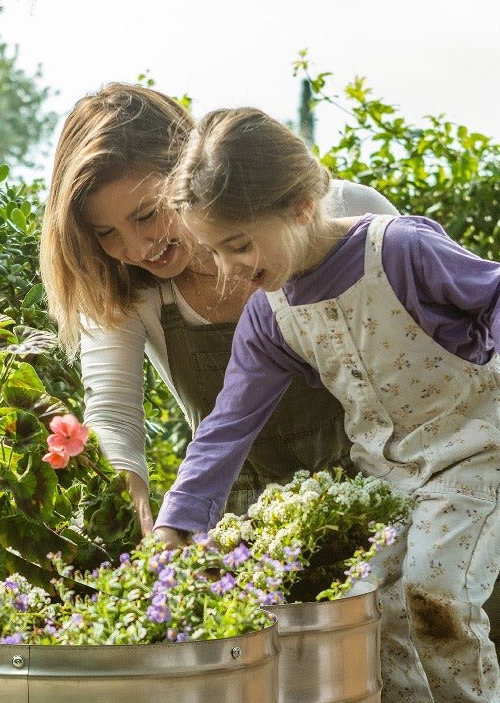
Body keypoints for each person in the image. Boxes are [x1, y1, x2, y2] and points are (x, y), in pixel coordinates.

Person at [152, 106, 500, 703]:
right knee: (364, 598)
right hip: (393, 475)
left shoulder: (398, 249)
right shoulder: (270, 315)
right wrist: (179, 522)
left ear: (303, 204)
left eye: (241, 243)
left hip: (478, 449)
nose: (233, 269)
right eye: (217, 252)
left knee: (435, 589)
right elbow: (227, 424)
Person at [39, 83, 398, 535]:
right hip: (247, 521)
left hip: (393, 476)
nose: (135, 248)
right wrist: (137, 523)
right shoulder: (124, 288)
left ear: (190, 173)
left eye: (147, 214)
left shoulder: (341, 216)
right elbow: (113, 416)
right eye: (106, 233)